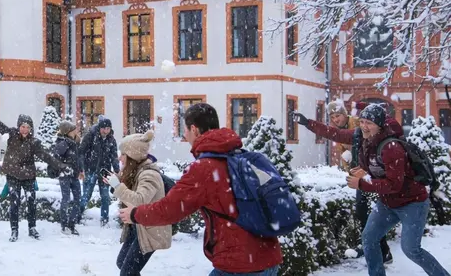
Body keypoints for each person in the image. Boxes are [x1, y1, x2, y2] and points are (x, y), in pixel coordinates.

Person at [119, 103, 282, 276]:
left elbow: (169, 209)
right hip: (268, 257)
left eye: (185, 130)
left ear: (194, 129)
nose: (184, 135)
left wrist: (135, 214)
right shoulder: (240, 156)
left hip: (239, 265)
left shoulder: (204, 168)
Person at [295, 104, 449, 276]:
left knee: (411, 249)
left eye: (369, 123)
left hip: (412, 203)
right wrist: (308, 123)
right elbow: (335, 133)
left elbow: (394, 185)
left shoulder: (391, 148)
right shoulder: (361, 137)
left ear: (380, 125)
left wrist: (361, 184)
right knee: (369, 238)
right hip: (387, 203)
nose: (364, 126)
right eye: (362, 121)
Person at [294, 101, 392, 263]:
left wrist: (363, 166)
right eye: (332, 117)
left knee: (373, 215)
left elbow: (373, 151)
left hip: (373, 178)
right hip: (362, 177)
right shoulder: (353, 132)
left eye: (338, 115)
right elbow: (334, 134)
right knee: (364, 213)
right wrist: (308, 123)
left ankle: (376, 249)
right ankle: (380, 251)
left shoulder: (361, 129)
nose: (335, 119)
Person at [0, 101, 70, 241]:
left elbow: (46, 156)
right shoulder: (11, 134)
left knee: (31, 202)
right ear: (18, 126)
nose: (25, 130)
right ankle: (14, 230)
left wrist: (61, 166)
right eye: (23, 126)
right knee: (14, 203)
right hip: (13, 175)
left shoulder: (34, 142)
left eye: (28, 127)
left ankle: (32, 228)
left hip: (28, 176)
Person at [106, 130, 171, 276]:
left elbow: (140, 201)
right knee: (122, 263)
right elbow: (130, 197)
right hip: (138, 226)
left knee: (127, 272)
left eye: (123, 154)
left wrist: (118, 186)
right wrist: (117, 183)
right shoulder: (136, 171)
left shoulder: (149, 174)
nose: (119, 158)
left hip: (150, 231)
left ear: (132, 155)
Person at [79, 116, 119, 226]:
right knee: (86, 195)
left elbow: (114, 156)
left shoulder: (111, 139)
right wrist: (82, 168)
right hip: (90, 169)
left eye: (108, 129)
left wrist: (117, 170)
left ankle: (104, 219)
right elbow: (81, 152)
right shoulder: (91, 136)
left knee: (105, 196)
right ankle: (77, 215)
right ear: (99, 128)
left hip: (105, 170)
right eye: (104, 128)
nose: (106, 131)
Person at [51, 120, 82, 235]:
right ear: (68, 131)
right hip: (65, 175)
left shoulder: (74, 142)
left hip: (74, 175)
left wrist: (80, 170)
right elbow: (55, 158)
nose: (76, 130)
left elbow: (77, 158)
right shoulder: (63, 143)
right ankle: (64, 225)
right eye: (73, 129)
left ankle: (71, 224)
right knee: (66, 199)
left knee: (77, 199)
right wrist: (64, 168)